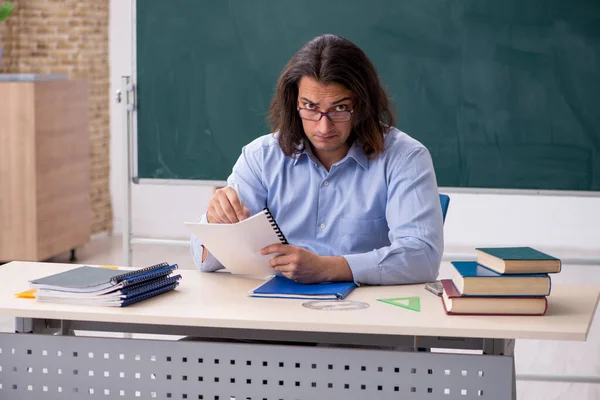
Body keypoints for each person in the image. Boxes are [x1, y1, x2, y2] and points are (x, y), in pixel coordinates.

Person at [191, 34, 443, 286]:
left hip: (369, 311)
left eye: (340, 108)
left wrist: (327, 268)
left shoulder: (406, 157)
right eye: (310, 107)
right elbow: (206, 263)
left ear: (363, 104)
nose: (323, 126)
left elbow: (423, 258)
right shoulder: (261, 157)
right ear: (294, 103)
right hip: (278, 308)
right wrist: (216, 222)